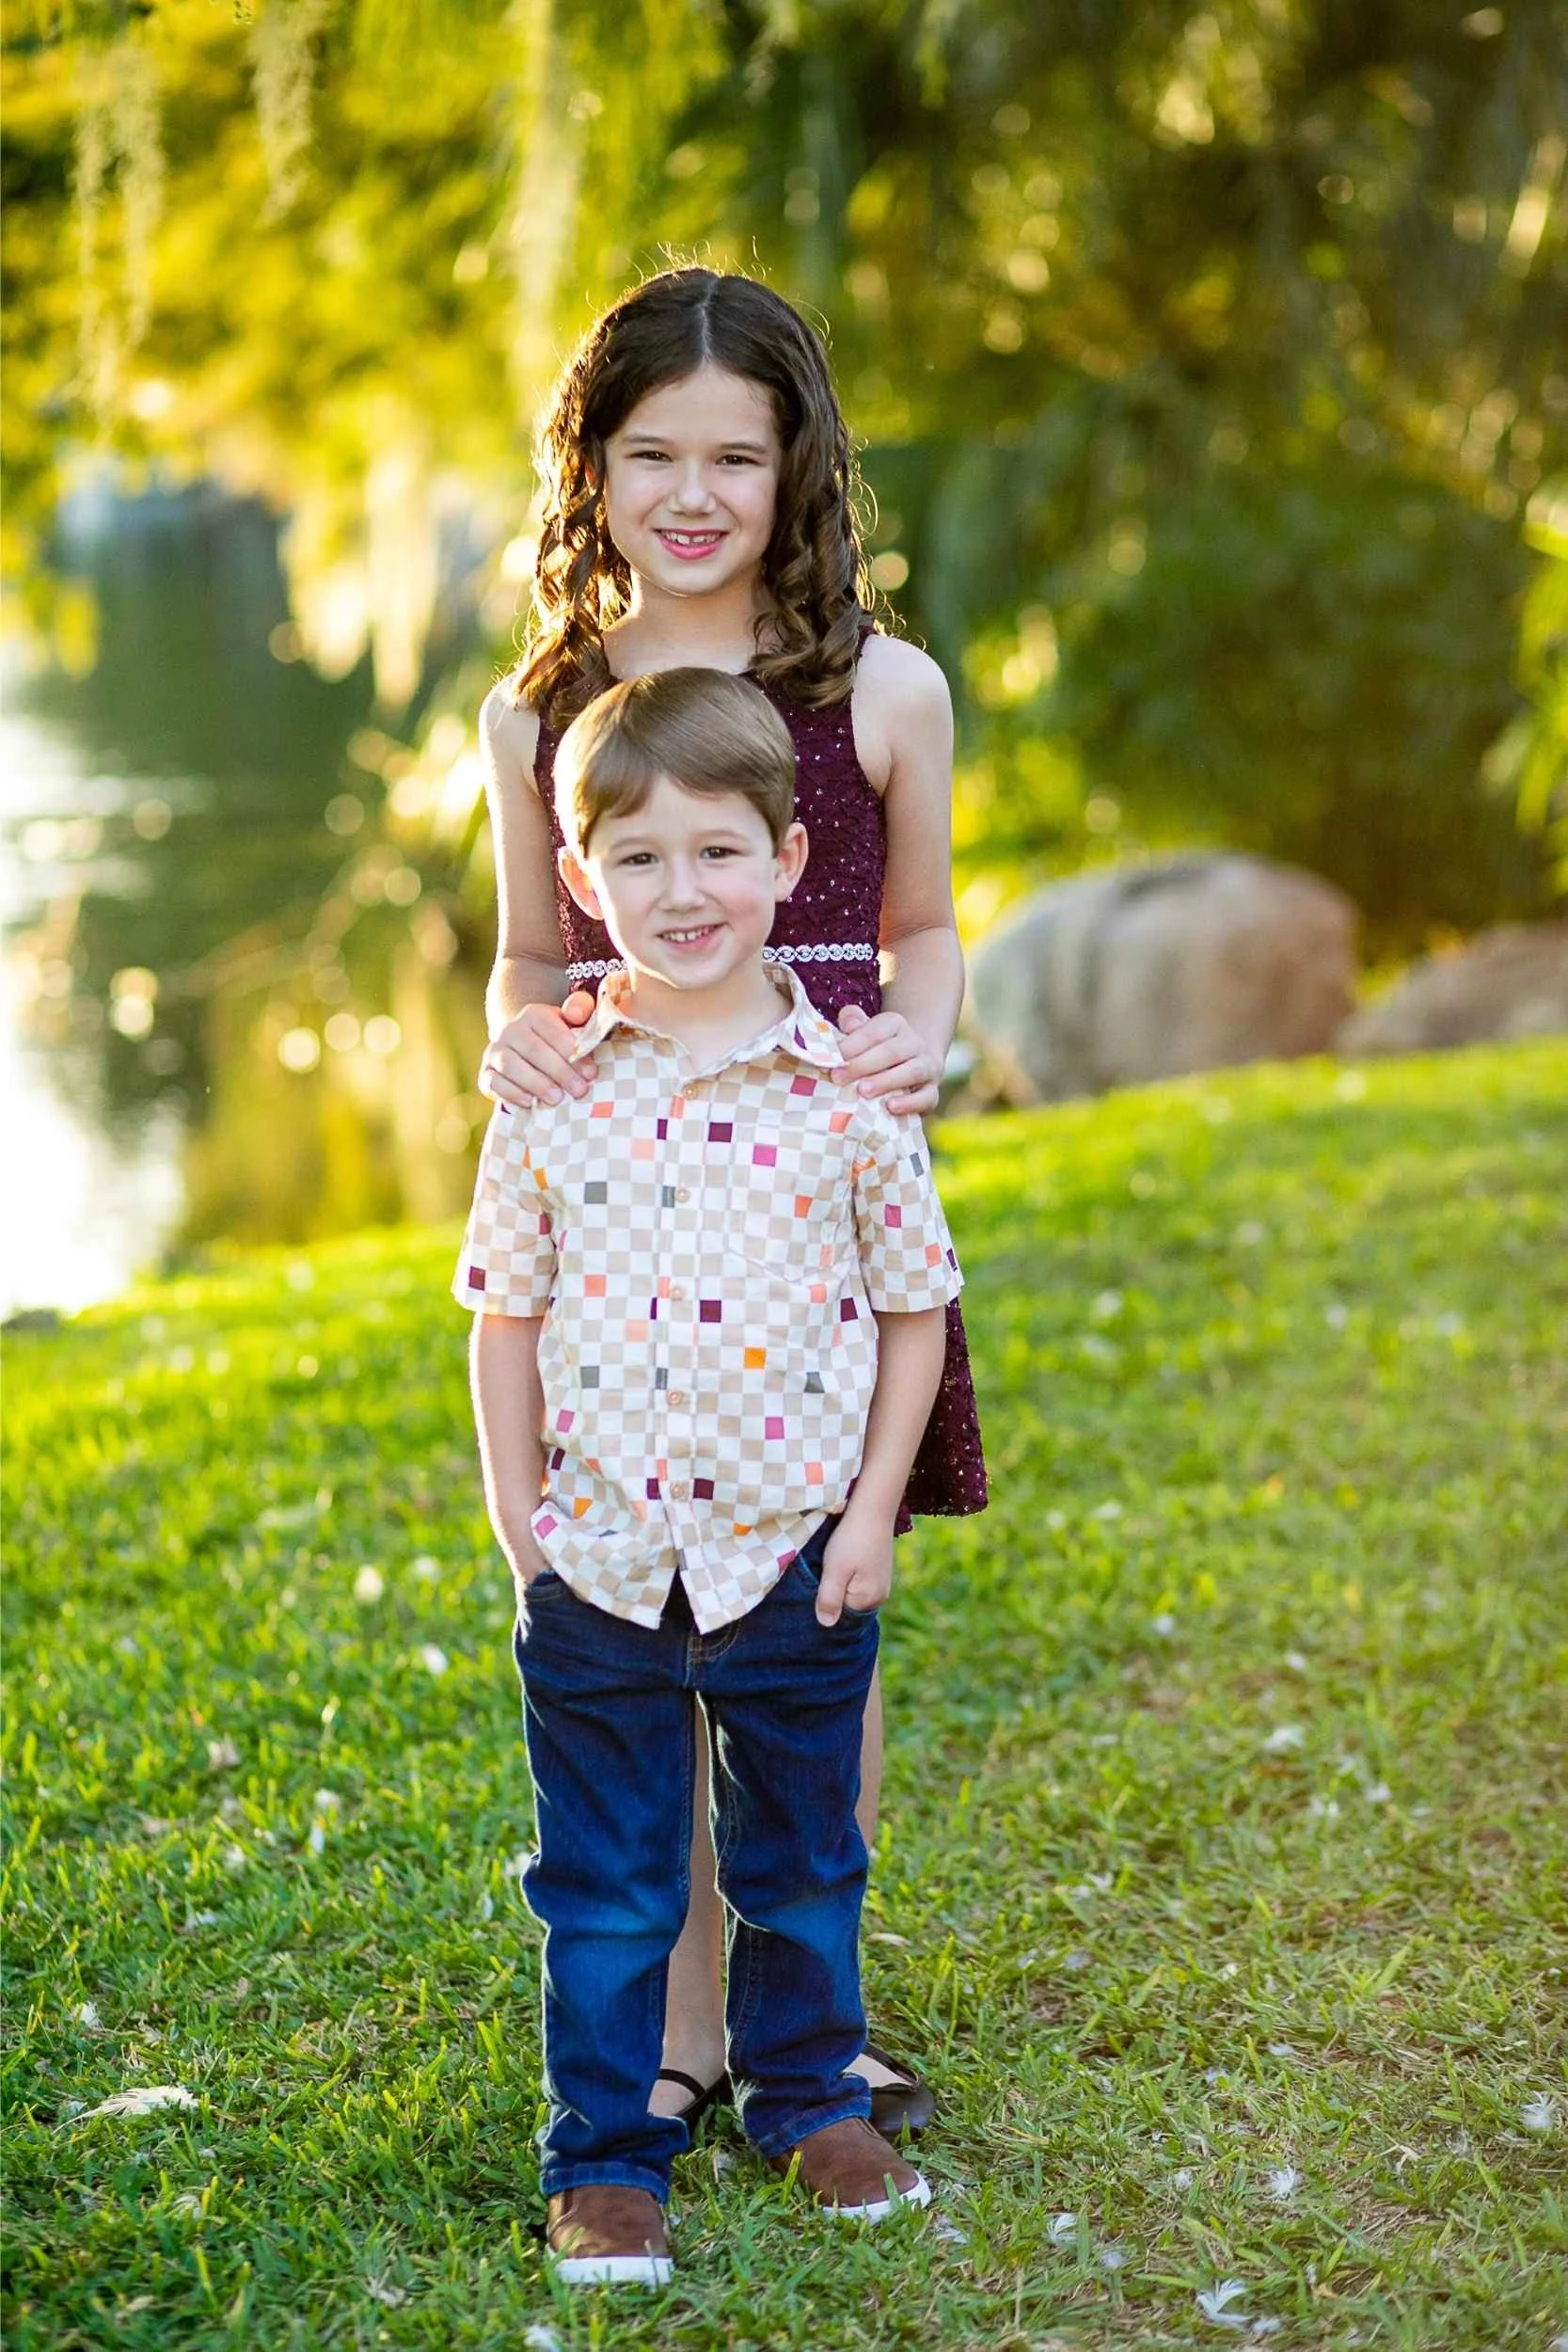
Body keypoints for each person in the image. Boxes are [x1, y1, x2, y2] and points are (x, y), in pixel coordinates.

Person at [474, 265, 987, 2139]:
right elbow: (531, 959)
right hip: (629, 1215)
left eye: (734, 458)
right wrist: (510, 1048)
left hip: (818, 1204)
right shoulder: (539, 714)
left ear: (796, 469)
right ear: (590, 473)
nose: (691, 495)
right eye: (649, 455)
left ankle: (808, 2020)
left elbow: (920, 926)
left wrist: (905, 1044)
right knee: (639, 1627)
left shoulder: (884, 689)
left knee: (812, 1625)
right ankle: (676, 2030)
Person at [456, 667, 964, 2282]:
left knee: (803, 1857)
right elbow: (501, 1321)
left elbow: (914, 1313)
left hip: (790, 1554)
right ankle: (607, 2155)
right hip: (596, 1559)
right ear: (581, 877)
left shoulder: (849, 1091)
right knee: (603, 1882)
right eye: (641, 860)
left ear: (791, 857)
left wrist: (871, 1516)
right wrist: (517, 1528)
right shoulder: (549, 1096)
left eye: (718, 852)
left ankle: (811, 2098)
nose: (682, 892)